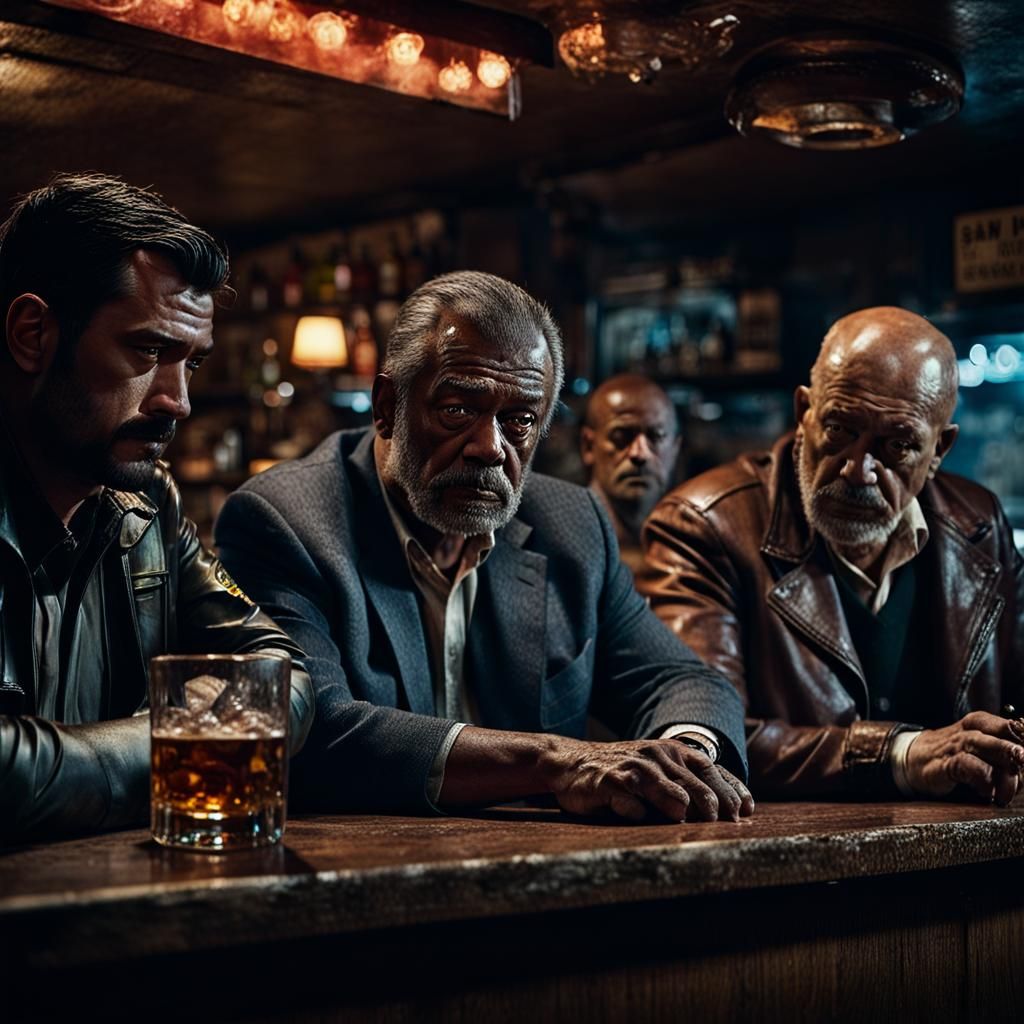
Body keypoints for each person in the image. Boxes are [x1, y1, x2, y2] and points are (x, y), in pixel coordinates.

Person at [215, 271, 752, 823]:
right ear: (386, 405)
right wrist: (556, 762)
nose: (489, 448)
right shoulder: (284, 521)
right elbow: (314, 730)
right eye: (456, 411)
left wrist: (687, 760)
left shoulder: (572, 524)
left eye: (519, 419)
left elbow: (685, 681)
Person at [0, 173, 313, 842]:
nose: (177, 400)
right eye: (147, 350)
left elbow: (277, 671)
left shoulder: (149, 507)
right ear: (33, 335)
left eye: (191, 364)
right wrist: (184, 738)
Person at [641, 306, 1024, 804]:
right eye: (841, 430)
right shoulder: (705, 524)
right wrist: (906, 754)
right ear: (804, 412)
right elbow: (709, 743)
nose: (858, 470)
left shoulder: (978, 524)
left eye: (897, 445)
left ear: (940, 449)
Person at [580, 374, 680, 582]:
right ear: (588, 446)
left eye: (656, 437)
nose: (639, 453)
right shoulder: (558, 540)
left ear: (675, 449)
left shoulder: (691, 547)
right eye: (621, 437)